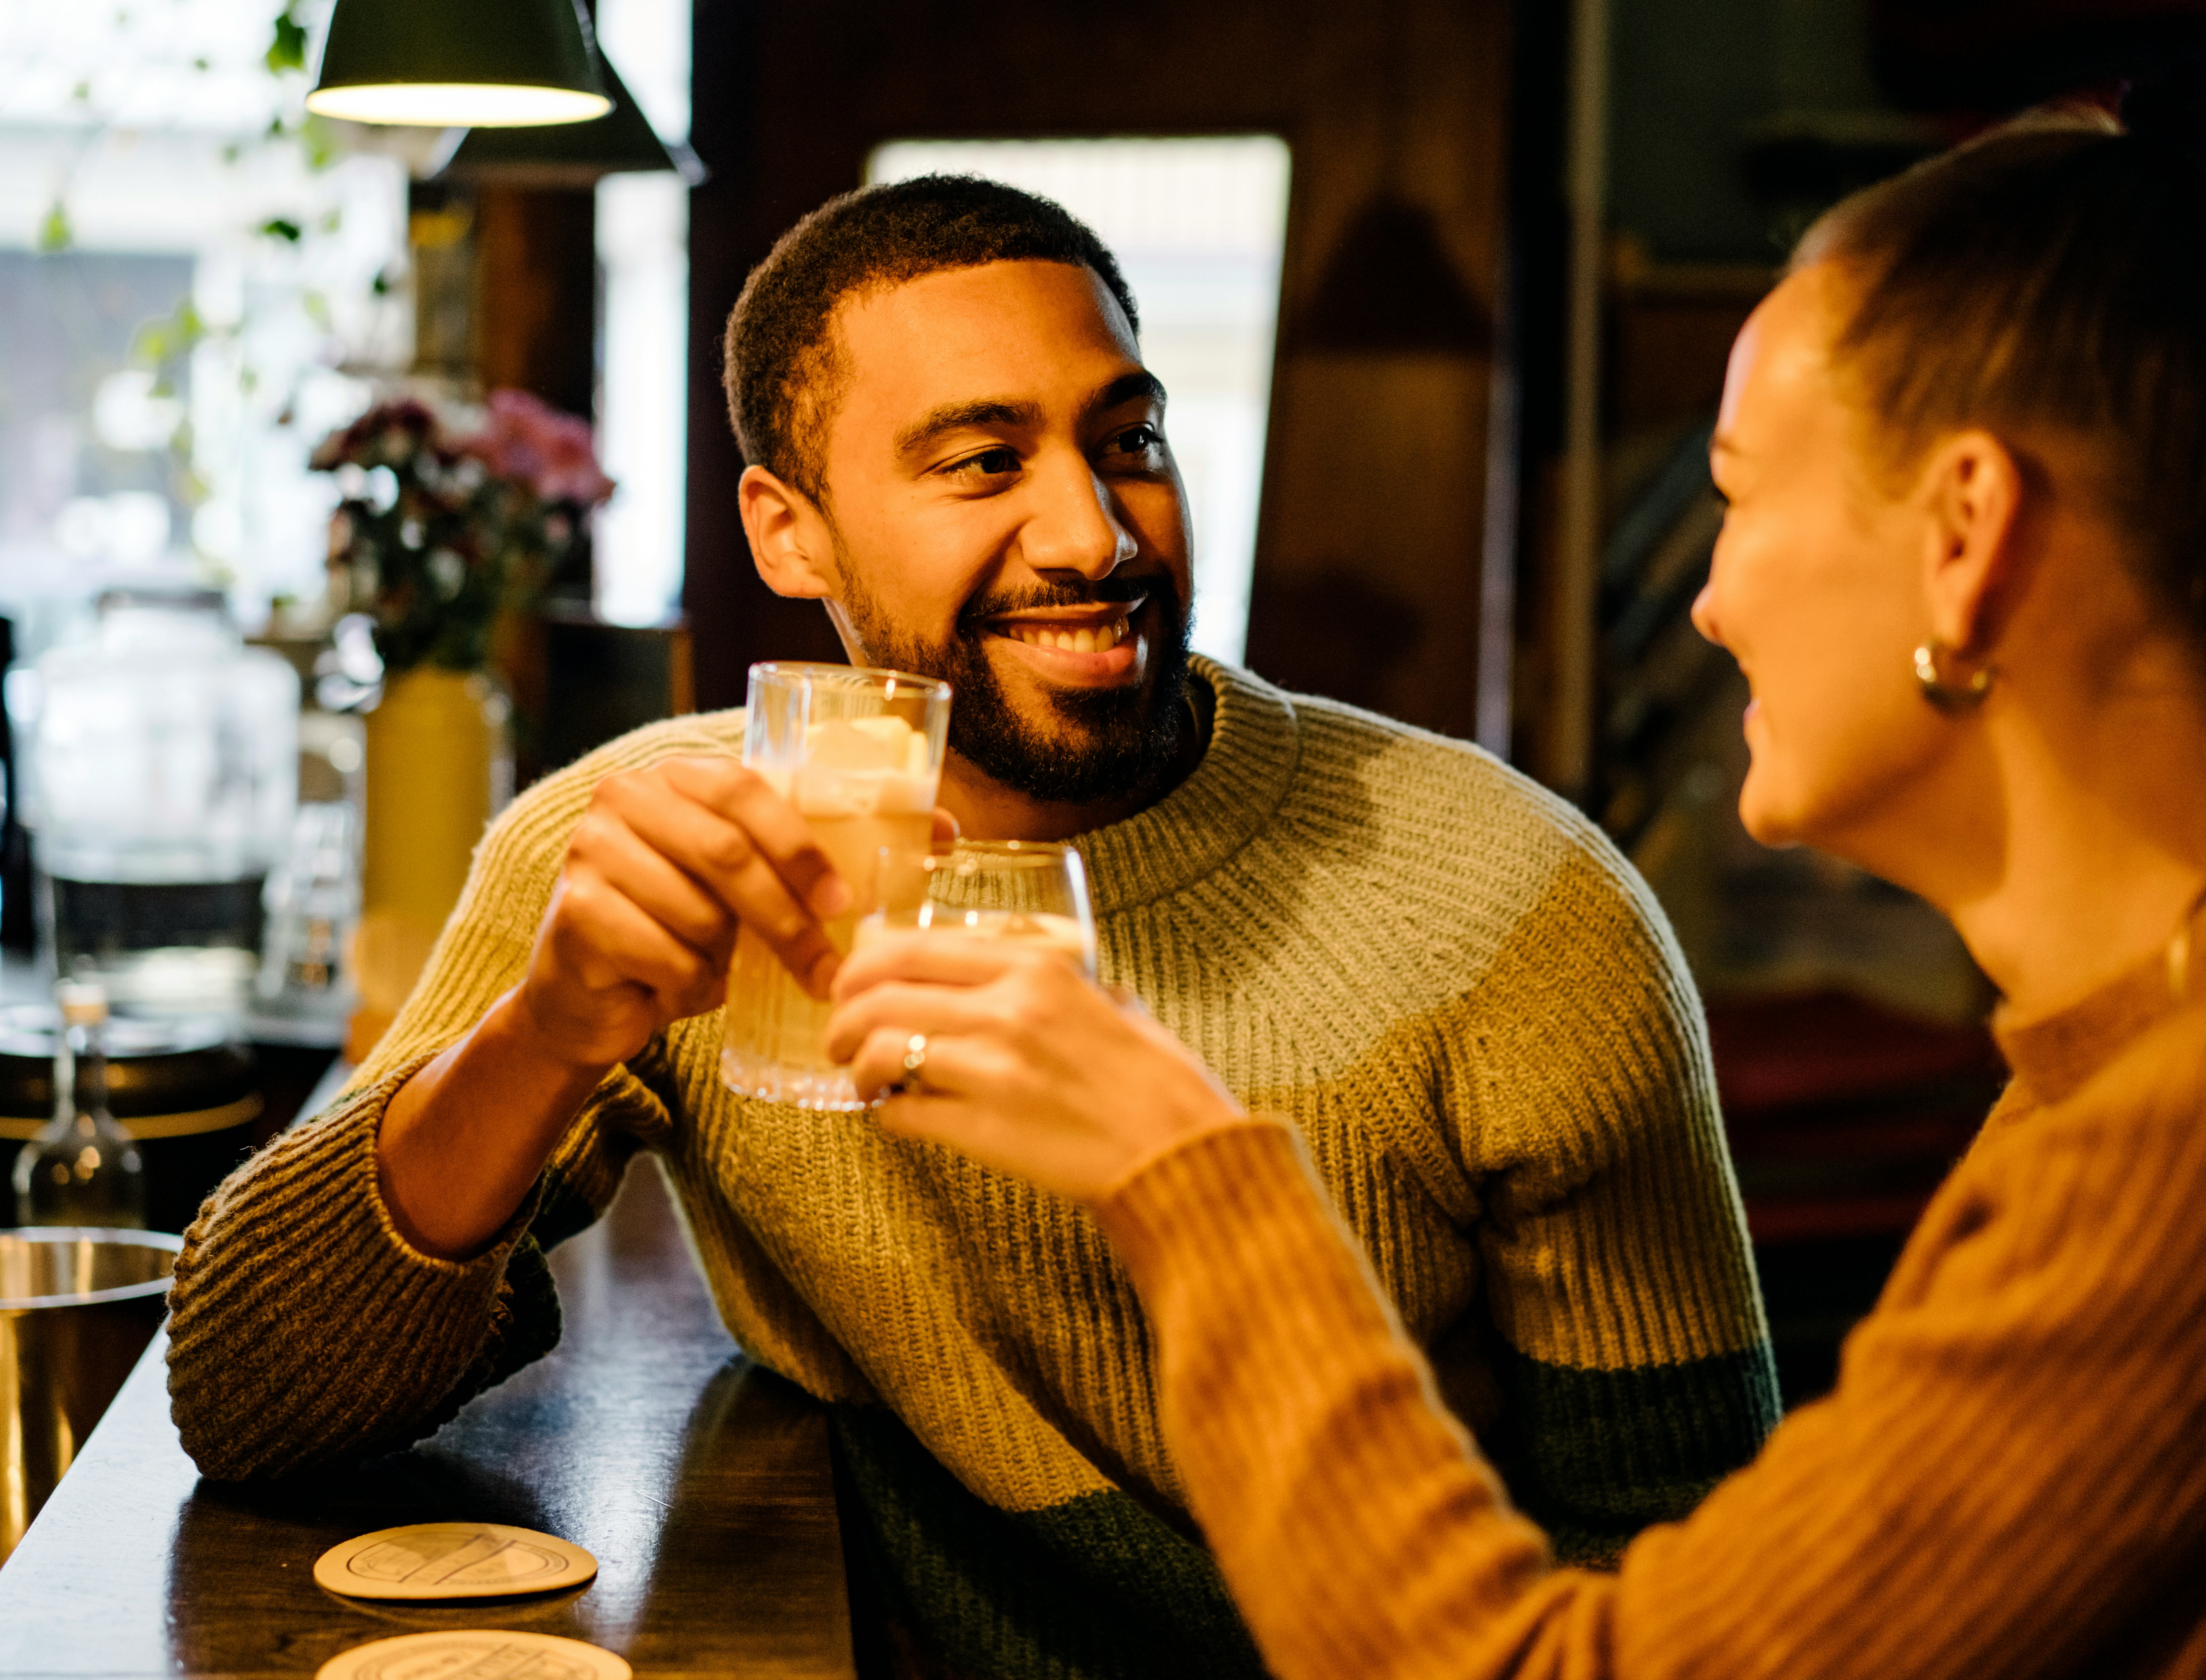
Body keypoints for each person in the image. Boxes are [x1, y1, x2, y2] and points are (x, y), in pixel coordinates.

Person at [824, 38, 2206, 1679]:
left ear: (1965, 538)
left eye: (1737, 496)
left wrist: (1183, 1170)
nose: (1709, 599)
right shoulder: (2130, 1056)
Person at [166, 178, 1779, 1675]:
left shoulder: (1514, 905)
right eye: (984, 462)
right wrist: (545, 1034)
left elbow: (1695, 1587)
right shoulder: (663, 851)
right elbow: (245, 1395)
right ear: (787, 531)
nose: (1097, 534)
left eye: (1128, 439)